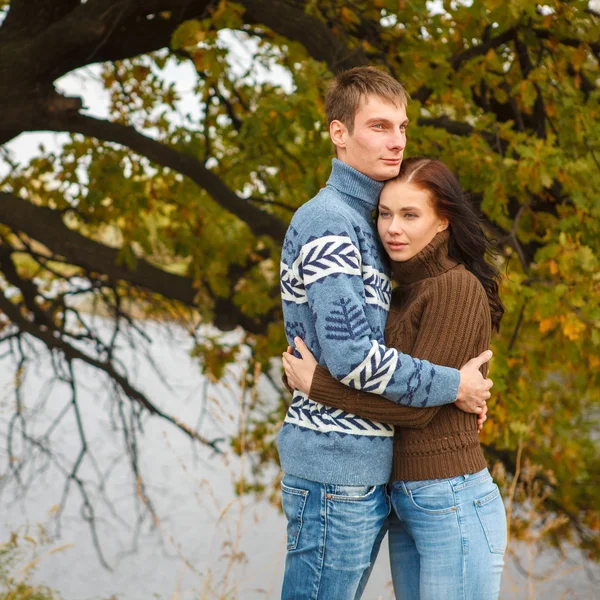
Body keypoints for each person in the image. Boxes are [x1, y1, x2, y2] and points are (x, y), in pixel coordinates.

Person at [278, 66, 494, 600]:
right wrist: (454, 387)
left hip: (368, 467)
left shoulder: (373, 224)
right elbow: (352, 354)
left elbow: (406, 337)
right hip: (335, 468)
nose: (396, 141)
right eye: (378, 126)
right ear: (339, 133)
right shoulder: (330, 221)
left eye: (401, 127)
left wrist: (462, 390)